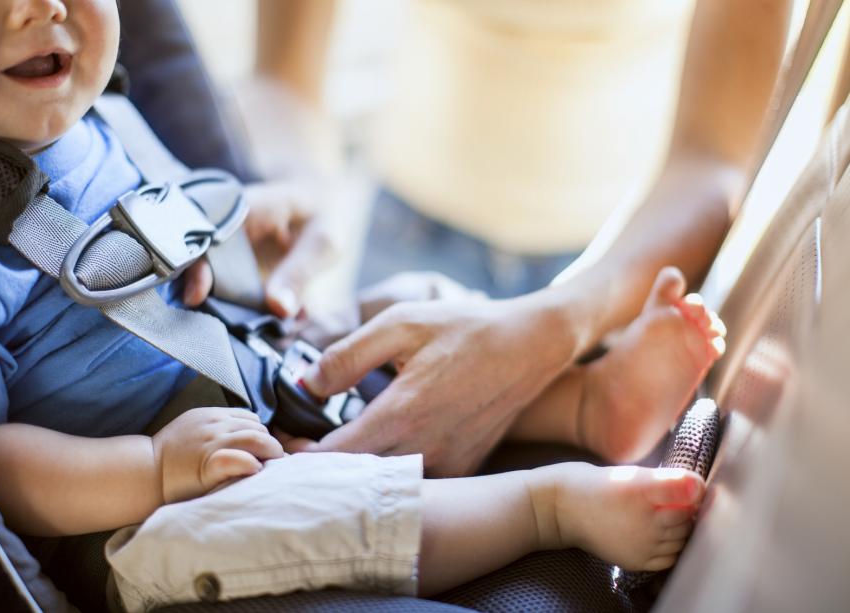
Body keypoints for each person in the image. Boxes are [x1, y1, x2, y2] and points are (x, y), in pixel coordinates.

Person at [0, 0, 724, 607]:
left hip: (250, 364)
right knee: (295, 510)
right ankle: (544, 507)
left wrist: (241, 218)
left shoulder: (105, 118)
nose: (42, 7)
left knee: (403, 308)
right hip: (146, 510)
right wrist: (152, 469)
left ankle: (586, 402)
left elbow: (174, 218)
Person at [254, 0, 792, 475]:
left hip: (621, 271)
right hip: (410, 239)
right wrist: (294, 184)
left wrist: (559, 322)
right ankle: (590, 402)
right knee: (360, 408)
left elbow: (713, 161)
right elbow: (282, 80)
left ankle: (592, 401)